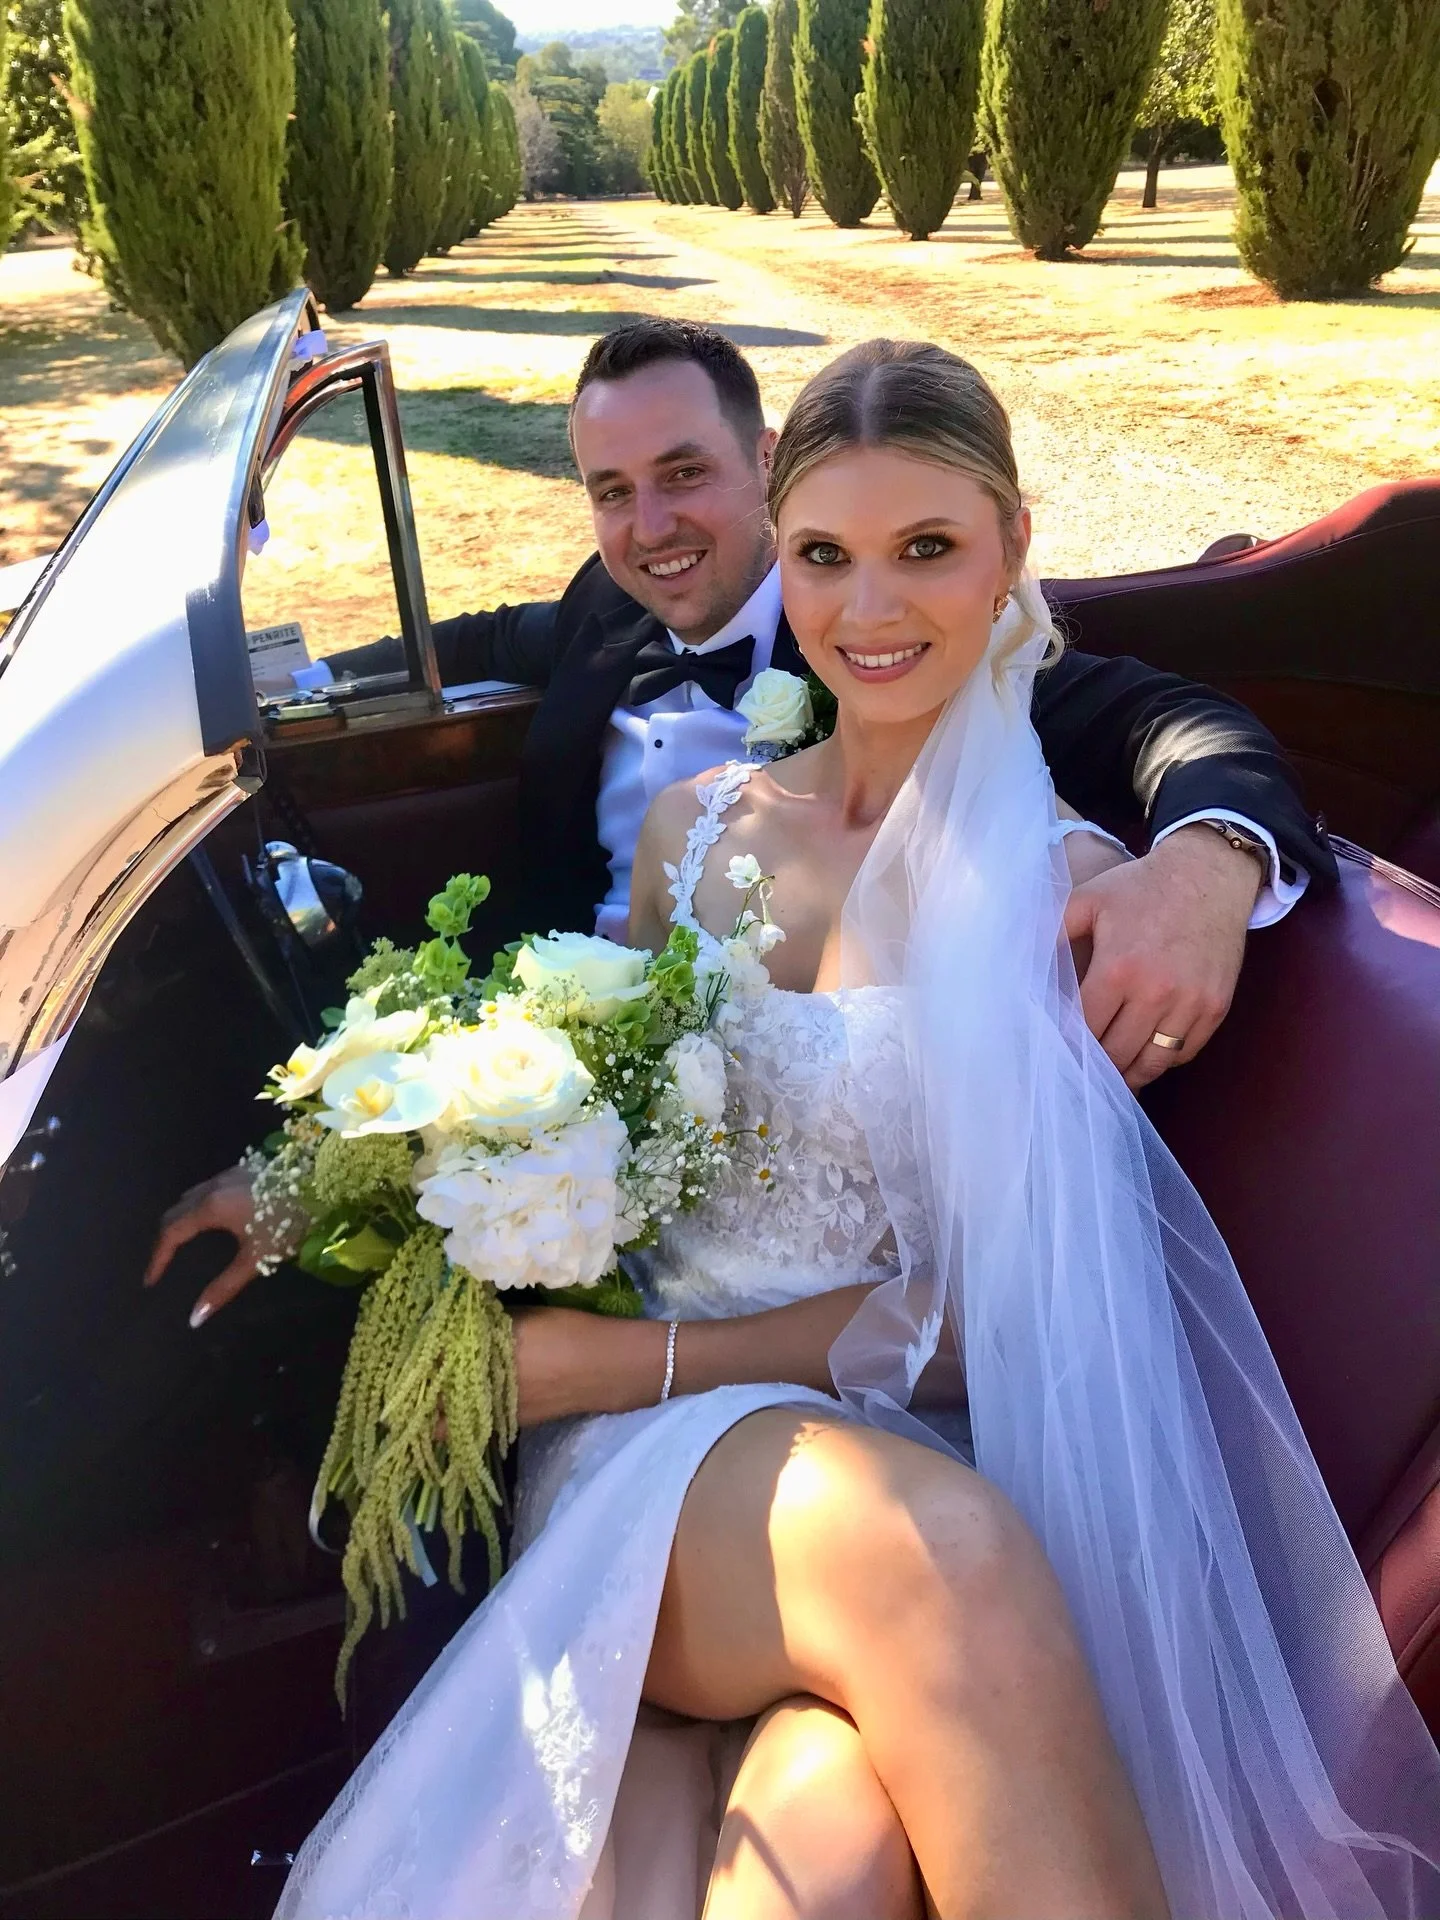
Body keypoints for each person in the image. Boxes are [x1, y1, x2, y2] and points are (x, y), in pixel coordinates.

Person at [272, 341, 1440, 1920]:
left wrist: (1209, 863)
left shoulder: (1074, 895)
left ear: (1014, 548)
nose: (868, 613)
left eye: (928, 552)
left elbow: (1002, 1322)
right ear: (779, 535)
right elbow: (617, 1124)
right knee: (934, 1568)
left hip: (845, 1439)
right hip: (643, 1467)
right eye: (825, 555)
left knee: (822, 1846)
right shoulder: (695, 834)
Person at [155, 321, 1332, 1329]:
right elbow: (469, 646)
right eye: (611, 491)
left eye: (683, 474)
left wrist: (1203, 866)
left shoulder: (923, 656)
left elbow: (1175, 724)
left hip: (816, 1264)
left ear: (764, 465)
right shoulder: (605, 612)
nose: (648, 527)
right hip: (592, 1109)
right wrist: (224, 698)